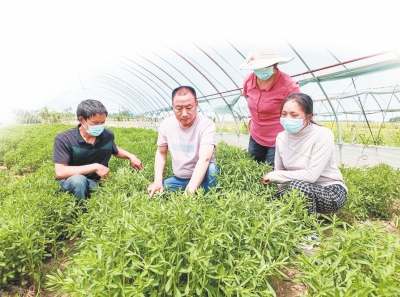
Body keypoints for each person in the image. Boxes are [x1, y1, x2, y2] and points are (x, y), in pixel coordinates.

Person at [261, 93, 347, 215]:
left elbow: (311, 176)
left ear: (308, 117)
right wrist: (279, 197)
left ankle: (309, 231)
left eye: (294, 115)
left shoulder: (323, 134)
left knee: (298, 186)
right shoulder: (281, 137)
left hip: (329, 191)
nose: (287, 118)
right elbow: (279, 170)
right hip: (296, 187)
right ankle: (298, 216)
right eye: (284, 114)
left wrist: (274, 176)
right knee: (269, 199)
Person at [52, 99, 143, 199]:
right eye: (95, 123)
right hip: (71, 182)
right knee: (79, 181)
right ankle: (82, 213)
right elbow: (60, 172)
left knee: (113, 196)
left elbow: (114, 149)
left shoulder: (107, 135)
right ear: (82, 120)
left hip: (96, 182)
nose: (100, 126)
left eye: (102, 122)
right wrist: (95, 167)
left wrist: (131, 156)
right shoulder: (64, 139)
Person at [147, 86, 218, 197]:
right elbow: (161, 153)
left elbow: (205, 159)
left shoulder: (206, 125)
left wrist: (187, 195)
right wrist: (157, 180)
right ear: (173, 107)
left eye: (189, 107)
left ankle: (208, 197)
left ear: (196, 104)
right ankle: (191, 190)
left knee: (212, 169)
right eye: (179, 108)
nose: (184, 113)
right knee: (157, 192)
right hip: (179, 179)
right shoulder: (166, 124)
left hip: (203, 176)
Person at [240, 44, 300, 166]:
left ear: (274, 65)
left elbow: (298, 111)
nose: (260, 70)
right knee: (252, 167)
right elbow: (247, 96)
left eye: (264, 66)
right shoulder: (249, 80)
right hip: (255, 135)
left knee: (271, 173)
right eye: (258, 67)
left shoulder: (288, 84)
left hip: (277, 139)